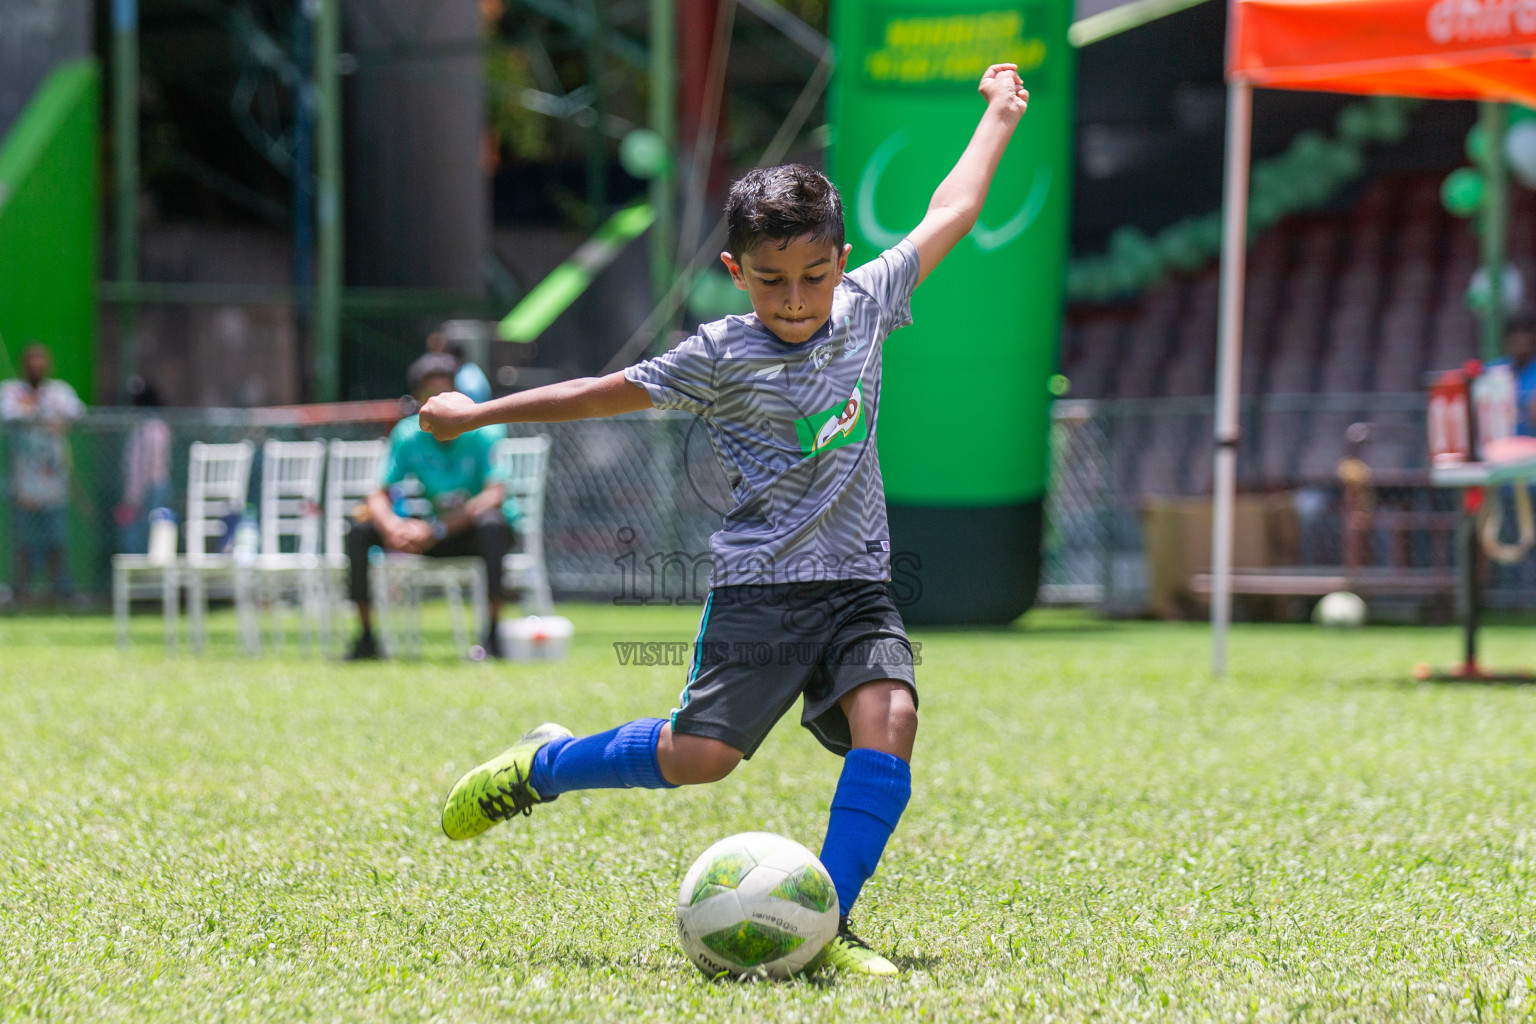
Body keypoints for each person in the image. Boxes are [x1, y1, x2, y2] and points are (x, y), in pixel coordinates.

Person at [421, 64, 1031, 974]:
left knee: (890, 714)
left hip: (859, 586)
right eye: (772, 281)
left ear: (843, 261)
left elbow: (951, 211)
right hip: (761, 589)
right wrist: (475, 415)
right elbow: (597, 395)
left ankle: (825, 926)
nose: (795, 301)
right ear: (735, 272)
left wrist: (999, 114)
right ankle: (543, 767)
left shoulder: (867, 307)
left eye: (814, 276)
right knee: (701, 757)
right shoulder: (717, 353)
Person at [344, 351, 517, 660]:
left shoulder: (486, 431)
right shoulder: (408, 434)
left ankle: (492, 637)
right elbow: (377, 493)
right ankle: (366, 637)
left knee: (494, 525)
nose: (440, 400)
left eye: (446, 391)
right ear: (419, 399)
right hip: (430, 532)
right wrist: (394, 527)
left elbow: (494, 496)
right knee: (359, 530)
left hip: (466, 533)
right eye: (430, 393)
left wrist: (436, 528)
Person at [0, 343, 85, 605]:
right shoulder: (11, 392)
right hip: (24, 482)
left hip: (54, 481)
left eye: (41, 361)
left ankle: (60, 590)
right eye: (31, 361)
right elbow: (7, 413)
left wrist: (48, 408)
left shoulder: (59, 391)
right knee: (24, 541)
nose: (36, 366)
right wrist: (27, 407)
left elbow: (77, 413)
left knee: (56, 540)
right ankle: (22, 591)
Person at [116, 376, 173, 555]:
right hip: (143, 489)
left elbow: (146, 466)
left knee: (146, 535)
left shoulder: (153, 428)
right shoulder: (143, 427)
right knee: (136, 534)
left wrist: (134, 495)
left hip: (151, 488)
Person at [1503, 312, 1536, 436]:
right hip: (1499, 448)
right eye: (1515, 333)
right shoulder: (1493, 370)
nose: (1521, 338)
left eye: (1527, 332)